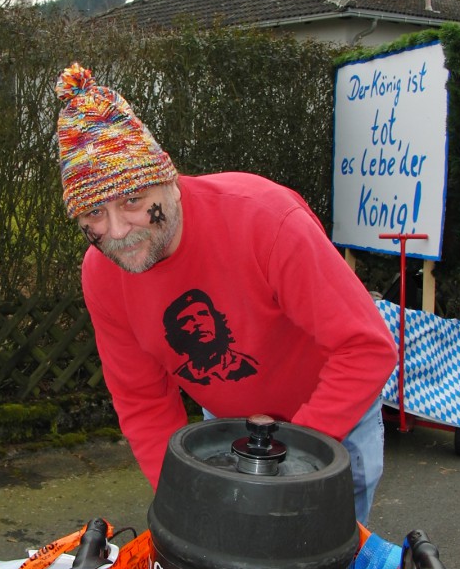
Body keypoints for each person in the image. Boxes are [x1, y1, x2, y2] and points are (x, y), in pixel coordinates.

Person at [54, 63, 397, 525]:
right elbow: (143, 402)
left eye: (132, 201)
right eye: (94, 213)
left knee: (326, 562)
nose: (116, 231)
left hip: (333, 417)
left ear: (170, 180)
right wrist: (184, 497)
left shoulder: (265, 222)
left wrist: (289, 462)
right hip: (231, 422)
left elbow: (366, 348)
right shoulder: (102, 273)